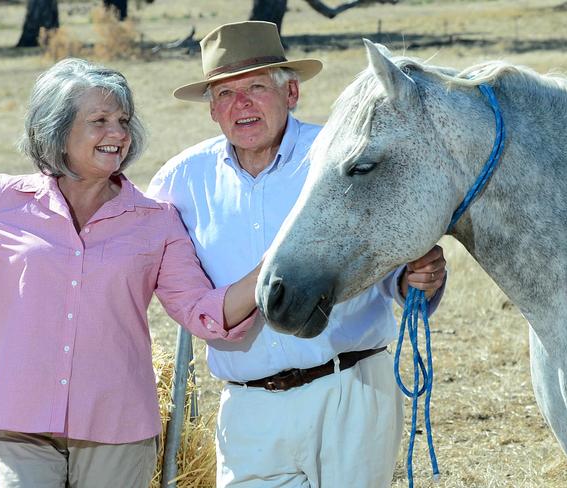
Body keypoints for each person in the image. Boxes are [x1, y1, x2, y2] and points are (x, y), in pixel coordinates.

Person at [146, 21, 448, 487]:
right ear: (211, 110)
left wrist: (415, 281)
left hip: (349, 391)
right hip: (249, 407)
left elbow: (392, 269)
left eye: (256, 87)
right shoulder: (181, 181)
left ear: (291, 94)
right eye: (225, 94)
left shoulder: (342, 157)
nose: (240, 104)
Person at [0, 58, 260, 488]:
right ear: (56, 129)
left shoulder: (155, 220)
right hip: (20, 420)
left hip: (118, 425)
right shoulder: (3, 200)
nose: (118, 134)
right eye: (99, 120)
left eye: (123, 120)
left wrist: (269, 272)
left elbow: (198, 309)